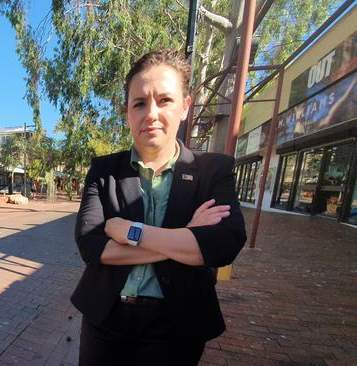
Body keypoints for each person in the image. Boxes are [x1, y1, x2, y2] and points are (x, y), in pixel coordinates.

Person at [71, 49, 246, 365]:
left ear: (184, 106)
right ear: (127, 113)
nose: (151, 112)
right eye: (139, 103)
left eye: (164, 100)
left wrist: (130, 231)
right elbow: (92, 245)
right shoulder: (104, 170)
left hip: (176, 323)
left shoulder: (213, 171)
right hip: (105, 318)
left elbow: (223, 246)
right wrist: (187, 236)